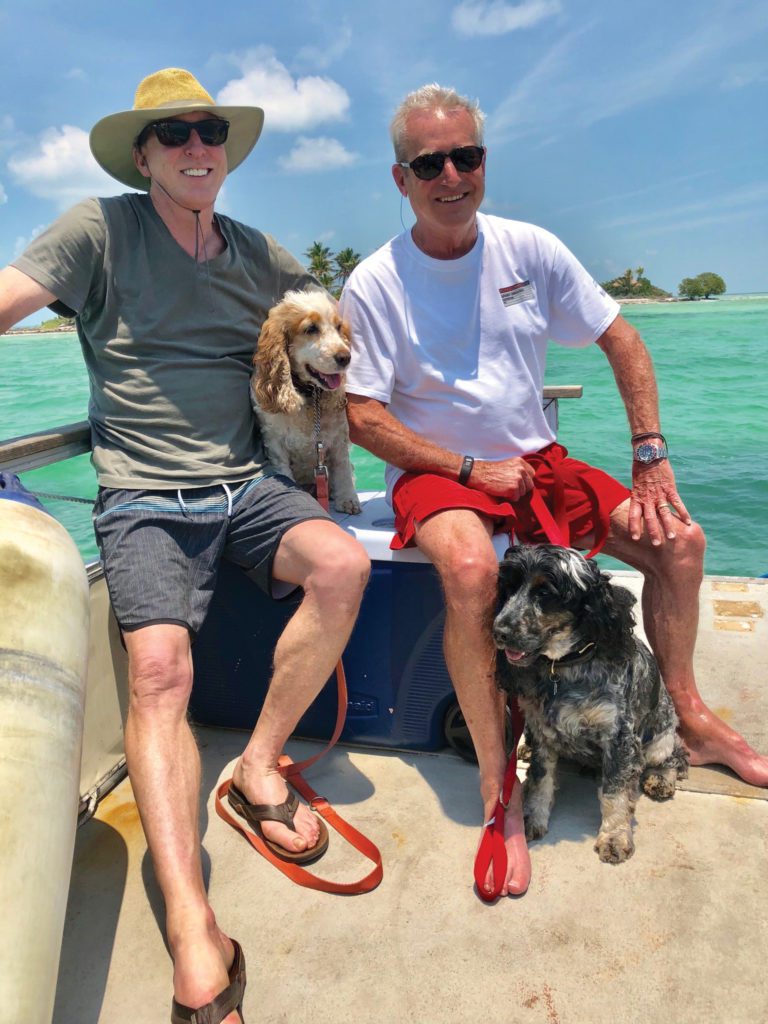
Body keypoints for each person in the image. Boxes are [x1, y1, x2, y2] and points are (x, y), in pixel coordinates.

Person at [0, 68, 370, 1023]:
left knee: (343, 563)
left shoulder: (256, 253)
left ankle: (257, 769)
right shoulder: (98, 230)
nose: (196, 146)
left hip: (247, 487)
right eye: (173, 135)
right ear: (144, 155)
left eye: (210, 130)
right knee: (159, 672)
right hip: (142, 499)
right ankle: (194, 929)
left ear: (226, 148)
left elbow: (335, 326)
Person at [340, 83, 768, 899]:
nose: (452, 175)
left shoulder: (529, 248)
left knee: (679, 541)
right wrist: (467, 470)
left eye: (466, 156)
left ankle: (684, 716)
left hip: (538, 460)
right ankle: (499, 785)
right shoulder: (375, 282)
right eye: (430, 162)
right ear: (402, 179)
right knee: (470, 572)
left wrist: (649, 453)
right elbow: (361, 416)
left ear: (483, 161)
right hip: (441, 475)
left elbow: (622, 336)